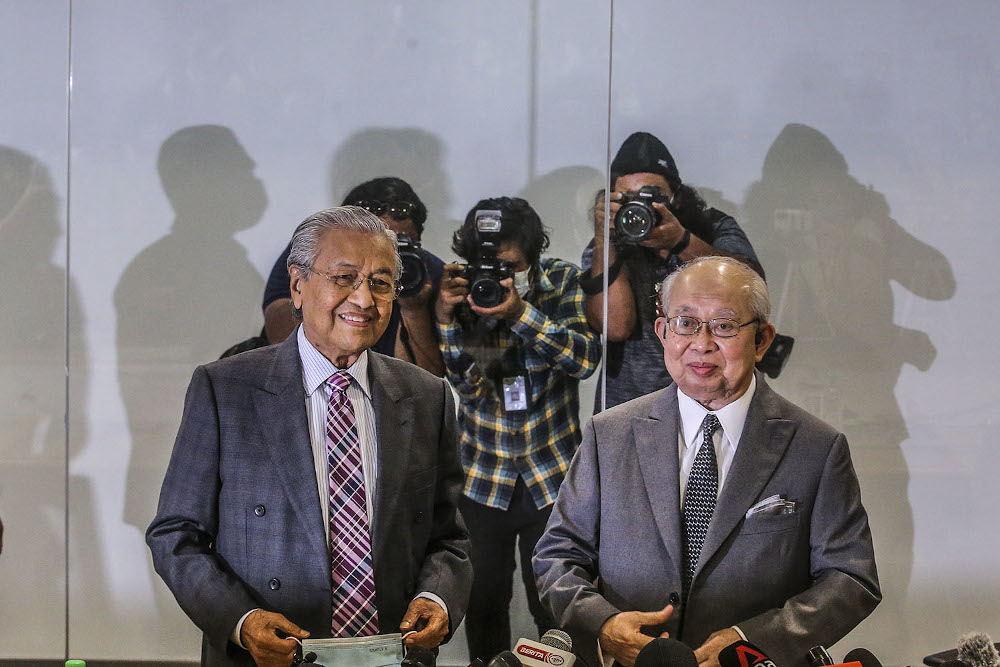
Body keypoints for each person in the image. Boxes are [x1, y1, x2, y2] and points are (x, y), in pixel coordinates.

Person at [147, 206, 472, 667]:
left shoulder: (426, 396)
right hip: (266, 657)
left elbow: (447, 537)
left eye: (381, 283)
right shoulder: (226, 390)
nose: (364, 300)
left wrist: (439, 599)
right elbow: (176, 534)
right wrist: (241, 619)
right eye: (344, 278)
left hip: (390, 656)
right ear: (298, 286)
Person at [533, 256, 880, 667]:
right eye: (685, 323)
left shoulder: (817, 447)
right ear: (663, 332)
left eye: (724, 325)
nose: (702, 343)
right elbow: (557, 556)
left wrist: (753, 640)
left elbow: (851, 577)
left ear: (763, 339)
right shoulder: (607, 434)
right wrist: (604, 625)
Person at [434, 197, 601, 662]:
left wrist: (517, 314)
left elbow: (584, 360)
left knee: (555, 601)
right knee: (483, 601)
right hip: (483, 475)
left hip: (553, 474)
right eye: (491, 264)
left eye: (510, 265)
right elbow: (465, 390)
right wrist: (446, 320)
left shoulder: (562, 280)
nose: (499, 276)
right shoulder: (464, 287)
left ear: (531, 255)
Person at [581, 132, 762, 411]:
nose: (639, 207)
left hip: (713, 401)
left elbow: (751, 286)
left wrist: (681, 241)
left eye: (651, 195)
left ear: (675, 196)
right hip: (630, 407)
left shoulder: (713, 227)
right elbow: (615, 327)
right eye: (627, 198)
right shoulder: (606, 247)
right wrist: (605, 238)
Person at [262, 176, 445, 376]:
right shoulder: (311, 253)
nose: (365, 299)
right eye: (344, 276)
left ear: (417, 242)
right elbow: (280, 337)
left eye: (398, 245)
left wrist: (414, 310)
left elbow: (421, 392)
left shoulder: (428, 273)